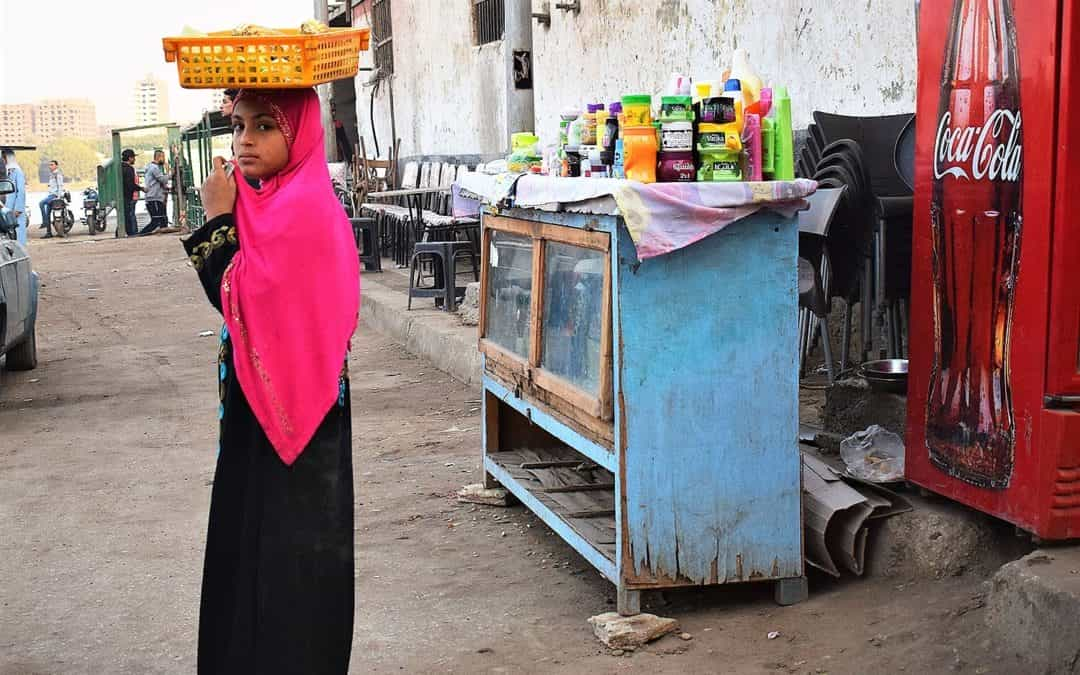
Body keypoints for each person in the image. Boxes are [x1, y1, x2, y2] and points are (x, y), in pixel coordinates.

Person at [182, 88, 360, 674]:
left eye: (264, 126)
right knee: (247, 548)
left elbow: (239, 297)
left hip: (301, 427)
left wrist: (216, 221)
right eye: (238, 127)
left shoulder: (304, 209)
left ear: (300, 132)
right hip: (256, 412)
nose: (244, 141)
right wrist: (231, 218)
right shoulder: (264, 204)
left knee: (293, 568)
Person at [138, 150, 169, 236]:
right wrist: (169, 172)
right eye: (163, 157)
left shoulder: (150, 166)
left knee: (163, 219)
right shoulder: (154, 168)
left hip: (155, 196)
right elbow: (163, 179)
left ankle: (164, 235)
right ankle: (141, 234)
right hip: (154, 197)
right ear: (159, 157)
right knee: (156, 220)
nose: (164, 160)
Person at [1, 149, 27, 245]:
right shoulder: (5, 172)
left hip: (15, 210)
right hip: (6, 208)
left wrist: (18, 209)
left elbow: (21, 192)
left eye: (4, 158)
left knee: (18, 234)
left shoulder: (17, 172)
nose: (3, 160)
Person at [38, 160, 64, 237]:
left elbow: (60, 186)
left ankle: (44, 222)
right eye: (49, 165)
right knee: (47, 213)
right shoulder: (52, 175)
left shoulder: (58, 174)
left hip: (54, 196)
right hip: (50, 195)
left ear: (56, 166)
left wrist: (58, 197)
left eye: (52, 165)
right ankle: (49, 232)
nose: (50, 166)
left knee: (41, 203)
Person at [120, 149, 143, 236]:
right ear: (130, 158)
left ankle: (126, 231)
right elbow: (130, 184)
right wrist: (141, 188)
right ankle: (132, 233)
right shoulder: (129, 169)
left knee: (126, 215)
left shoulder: (120, 168)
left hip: (122, 195)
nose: (134, 160)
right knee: (130, 215)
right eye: (133, 157)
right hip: (129, 196)